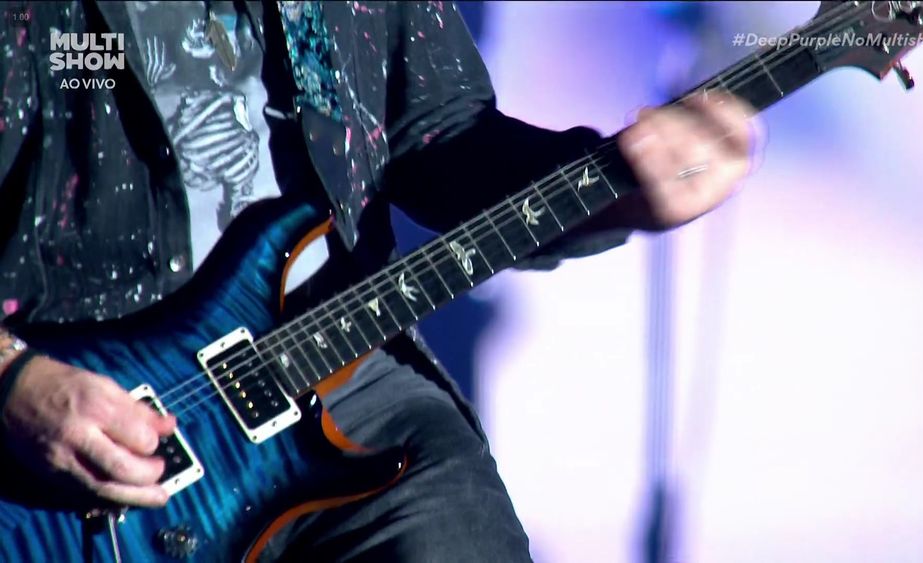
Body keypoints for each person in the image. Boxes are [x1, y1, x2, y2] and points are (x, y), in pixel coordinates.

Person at [0, 1, 757, 560]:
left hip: (337, 367)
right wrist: (15, 380)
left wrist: (616, 189)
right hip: (73, 400)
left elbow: (437, 137)